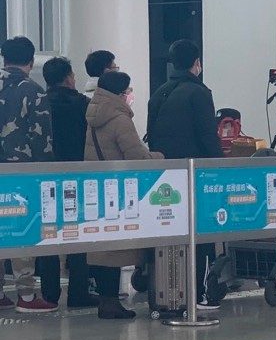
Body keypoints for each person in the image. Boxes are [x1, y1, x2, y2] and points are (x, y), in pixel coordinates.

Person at [146, 39, 223, 309]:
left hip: (165, 178)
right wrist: (219, 167)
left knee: (168, 234)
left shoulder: (159, 94)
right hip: (195, 176)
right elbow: (208, 137)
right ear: (197, 64)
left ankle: (165, 292)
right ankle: (197, 294)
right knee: (198, 235)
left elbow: (152, 138)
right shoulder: (199, 93)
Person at [85, 71, 164, 319]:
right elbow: (137, 157)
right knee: (114, 249)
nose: (130, 95)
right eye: (128, 91)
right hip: (118, 190)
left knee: (102, 246)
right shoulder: (119, 119)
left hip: (98, 186)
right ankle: (109, 303)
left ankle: (106, 299)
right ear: (121, 94)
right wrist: (159, 157)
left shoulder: (94, 114)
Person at [0, 37, 58, 313]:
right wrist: (45, 171)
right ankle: (25, 295)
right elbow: (41, 137)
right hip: (21, 172)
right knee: (22, 228)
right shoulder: (33, 90)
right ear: (31, 61)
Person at [36, 57, 98, 307]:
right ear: (70, 77)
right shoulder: (82, 104)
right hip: (77, 174)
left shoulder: (41, 102)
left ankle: (49, 293)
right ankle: (78, 291)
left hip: (46, 176)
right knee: (77, 232)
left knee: (48, 232)